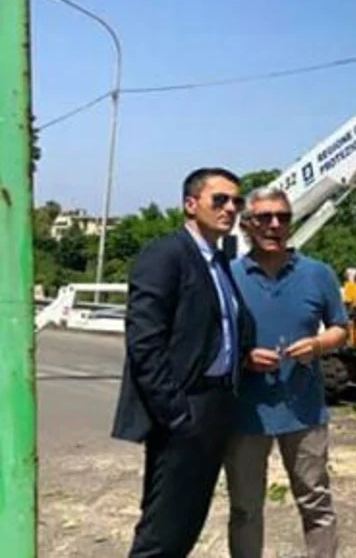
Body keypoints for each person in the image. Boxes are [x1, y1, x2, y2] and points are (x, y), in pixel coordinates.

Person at [112, 166, 256, 557]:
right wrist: (175, 415)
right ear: (191, 205)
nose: (230, 208)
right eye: (220, 200)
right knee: (164, 530)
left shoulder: (218, 261)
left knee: (187, 521)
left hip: (215, 405)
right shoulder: (166, 254)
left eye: (236, 201)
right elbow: (145, 343)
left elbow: (213, 331)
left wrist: (244, 356)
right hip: (184, 409)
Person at [224, 186, 349, 558]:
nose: (275, 224)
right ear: (247, 225)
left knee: (316, 504)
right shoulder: (228, 276)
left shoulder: (318, 274)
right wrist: (243, 358)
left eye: (283, 217)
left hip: (305, 411)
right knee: (246, 508)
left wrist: (318, 345)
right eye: (264, 217)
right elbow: (213, 339)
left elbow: (340, 328)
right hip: (245, 413)